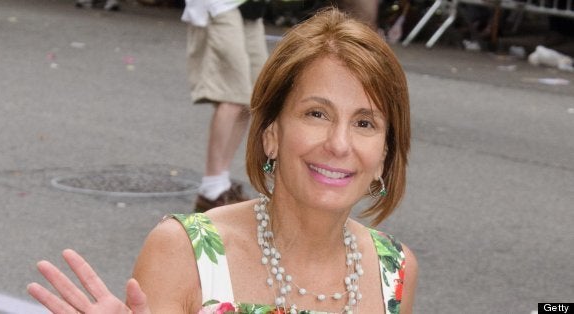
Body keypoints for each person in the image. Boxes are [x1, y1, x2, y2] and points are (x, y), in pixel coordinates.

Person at [27, 8, 418, 314]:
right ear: (271, 135)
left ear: (384, 155)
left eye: (365, 123)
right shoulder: (185, 251)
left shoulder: (394, 269)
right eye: (317, 114)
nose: (338, 143)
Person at [183, 0, 269, 212]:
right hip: (219, 5)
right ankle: (212, 187)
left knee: (253, 96)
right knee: (231, 95)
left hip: (249, 7)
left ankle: (220, 181)